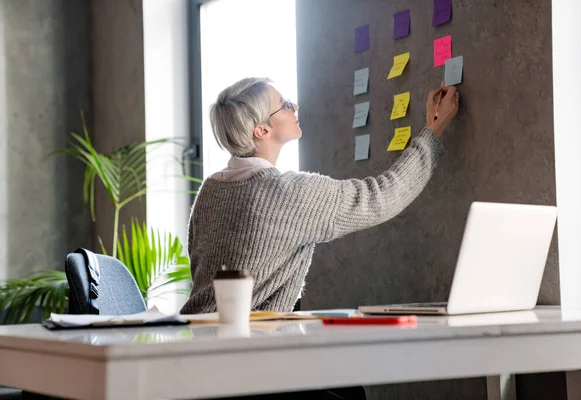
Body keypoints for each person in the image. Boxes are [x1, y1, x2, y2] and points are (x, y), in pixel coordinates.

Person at [180, 77, 459, 316]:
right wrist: (434, 127)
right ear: (262, 129)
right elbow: (384, 195)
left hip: (194, 345)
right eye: (285, 105)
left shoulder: (210, 190)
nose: (295, 107)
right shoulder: (288, 193)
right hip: (252, 358)